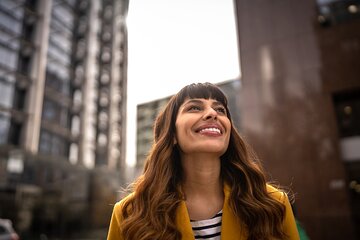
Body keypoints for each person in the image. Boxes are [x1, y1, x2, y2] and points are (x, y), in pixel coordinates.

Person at [107, 82, 300, 240]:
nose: (212, 113)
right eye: (195, 107)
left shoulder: (272, 204)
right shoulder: (128, 214)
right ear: (172, 134)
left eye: (220, 109)